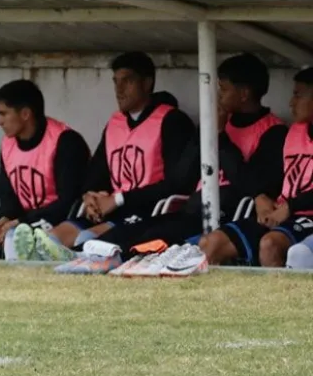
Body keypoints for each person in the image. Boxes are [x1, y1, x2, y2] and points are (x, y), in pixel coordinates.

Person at [98, 53, 285, 259]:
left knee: (153, 241)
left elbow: (251, 184)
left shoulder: (274, 131)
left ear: (244, 94)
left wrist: (220, 136)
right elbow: (181, 178)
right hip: (192, 208)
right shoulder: (216, 121)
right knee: (122, 235)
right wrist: (206, 131)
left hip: (229, 214)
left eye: (223, 89)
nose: (217, 96)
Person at [27, 52, 197, 261]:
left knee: (87, 237)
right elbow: (96, 172)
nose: (119, 89)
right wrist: (90, 196)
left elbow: (177, 183)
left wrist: (118, 198)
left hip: (148, 210)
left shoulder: (172, 121)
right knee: (54, 236)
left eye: (128, 81)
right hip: (113, 209)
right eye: (116, 82)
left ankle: (74, 259)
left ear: (147, 83)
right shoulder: (115, 123)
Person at [0, 79, 90, 261]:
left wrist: (19, 222)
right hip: (22, 221)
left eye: (3, 114)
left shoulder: (66, 141)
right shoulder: (8, 144)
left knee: (14, 238)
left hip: (60, 219)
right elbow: (8, 195)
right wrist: (3, 219)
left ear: (25, 114)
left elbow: (69, 201)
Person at [201, 67, 313, 267]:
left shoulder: (276, 130)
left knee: (270, 244)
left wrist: (290, 207)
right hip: (282, 212)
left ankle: (276, 298)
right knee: (211, 243)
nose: (291, 103)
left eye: (298, 95)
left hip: (305, 215)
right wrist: (262, 198)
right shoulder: (295, 131)